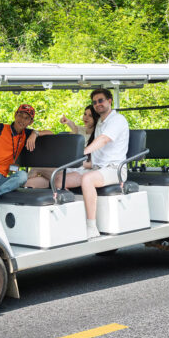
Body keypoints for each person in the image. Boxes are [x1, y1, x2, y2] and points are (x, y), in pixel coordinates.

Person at [62, 88, 129, 239]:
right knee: (61, 179)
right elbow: (82, 129)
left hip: (115, 170)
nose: (98, 104)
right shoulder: (99, 122)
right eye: (95, 102)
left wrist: (84, 151)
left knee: (87, 179)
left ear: (109, 101)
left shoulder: (117, 120)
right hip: (96, 168)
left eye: (101, 100)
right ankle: (72, 220)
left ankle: (91, 226)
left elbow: (104, 139)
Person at [25, 104, 99, 189]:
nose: (86, 118)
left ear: (96, 118)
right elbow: (73, 127)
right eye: (85, 114)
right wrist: (67, 121)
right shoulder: (80, 130)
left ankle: (63, 195)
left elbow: (93, 163)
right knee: (28, 183)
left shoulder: (98, 136)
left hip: (80, 168)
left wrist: (75, 163)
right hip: (67, 167)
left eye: (90, 116)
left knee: (37, 169)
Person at [0, 103, 38, 197]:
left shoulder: (26, 134)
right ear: (15, 115)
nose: (22, 120)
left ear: (30, 122)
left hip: (2, 178)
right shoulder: (1, 128)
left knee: (23, 175)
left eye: (26, 118)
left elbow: (50, 132)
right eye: (20, 115)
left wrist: (34, 134)